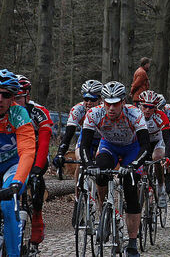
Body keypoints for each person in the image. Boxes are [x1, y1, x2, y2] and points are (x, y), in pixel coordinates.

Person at [80, 81, 151, 257]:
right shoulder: (94, 114)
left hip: (131, 149)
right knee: (100, 171)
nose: (111, 108)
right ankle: (104, 207)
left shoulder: (135, 114)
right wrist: (89, 165)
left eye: (116, 103)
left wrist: (135, 164)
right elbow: (84, 145)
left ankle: (132, 243)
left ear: (124, 101)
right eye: (108, 103)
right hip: (109, 146)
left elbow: (145, 146)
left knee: (130, 189)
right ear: (102, 101)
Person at [53, 80, 103, 225]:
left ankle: (102, 206)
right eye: (85, 98)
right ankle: (78, 201)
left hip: (103, 139)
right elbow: (68, 135)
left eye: (92, 99)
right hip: (86, 139)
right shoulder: (78, 110)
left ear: (100, 99)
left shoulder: (105, 110)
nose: (88, 102)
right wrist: (60, 153)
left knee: (100, 165)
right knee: (80, 161)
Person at [14, 75, 53, 252]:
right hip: (13, 153)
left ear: (27, 96)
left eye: (18, 98)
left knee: (36, 178)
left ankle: (37, 215)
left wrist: (37, 169)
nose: (14, 102)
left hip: (36, 152)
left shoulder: (38, 112)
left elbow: (44, 143)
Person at [0, 69, 36, 257]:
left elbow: (28, 151)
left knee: (8, 204)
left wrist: (18, 182)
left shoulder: (18, 114)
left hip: (12, 165)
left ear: (12, 97)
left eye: (5, 95)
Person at [138, 90, 170, 207]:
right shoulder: (135, 114)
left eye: (151, 107)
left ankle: (161, 187)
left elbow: (168, 139)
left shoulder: (160, 116)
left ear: (155, 107)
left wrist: (167, 157)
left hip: (158, 141)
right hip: (143, 142)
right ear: (140, 106)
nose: (147, 110)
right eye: (145, 106)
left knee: (157, 157)